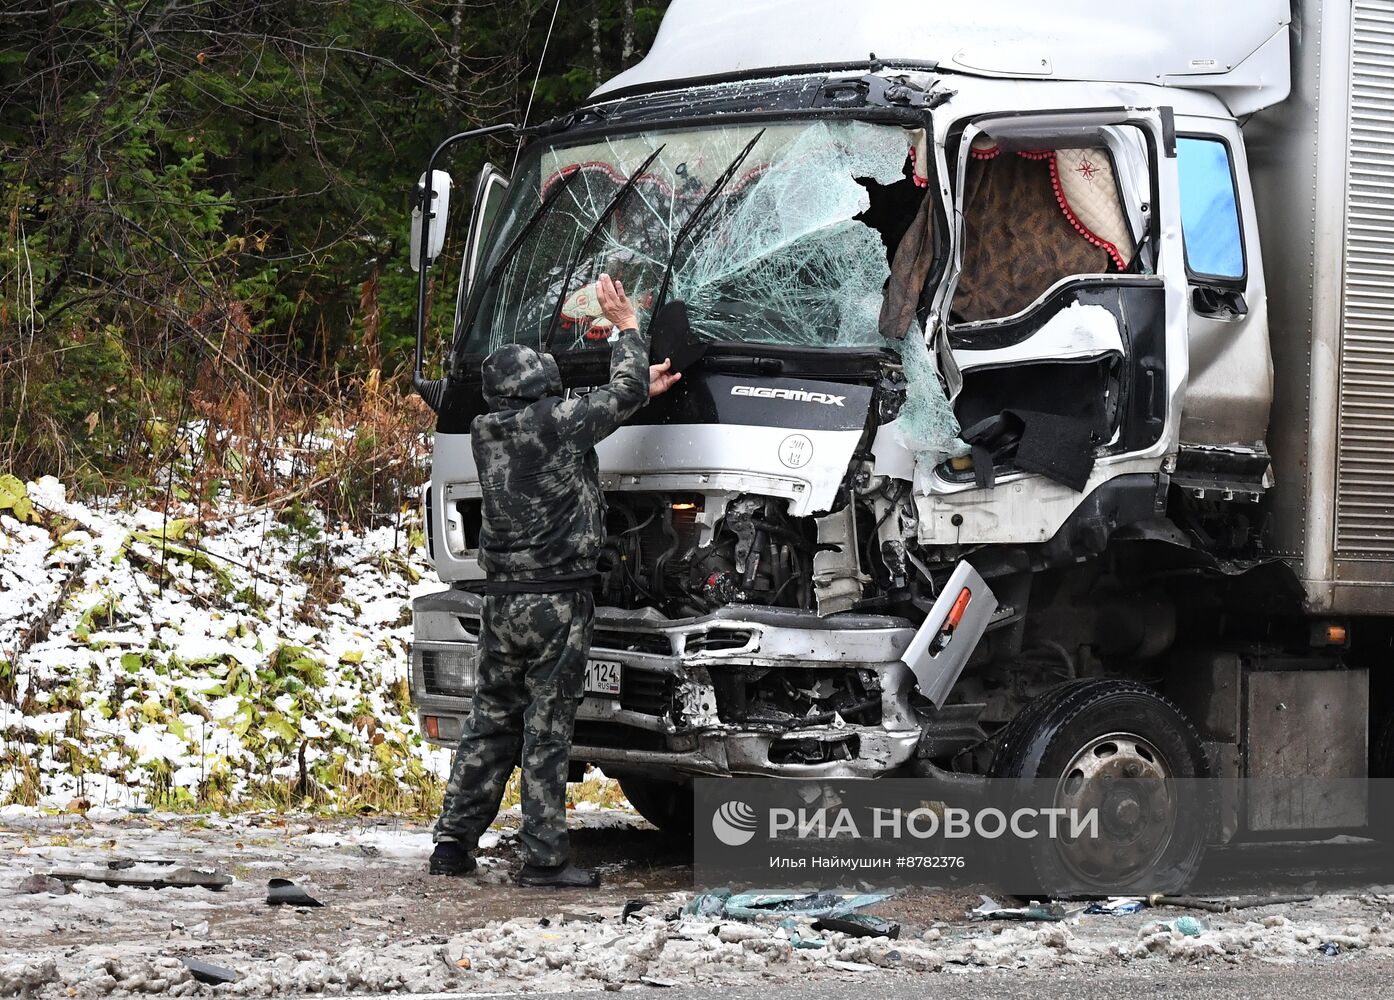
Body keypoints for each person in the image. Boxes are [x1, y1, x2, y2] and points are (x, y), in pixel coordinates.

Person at [428, 274, 681, 888]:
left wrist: (630, 393)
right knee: (547, 730)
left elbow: (610, 402)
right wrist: (626, 331)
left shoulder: (488, 431)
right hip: (555, 602)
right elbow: (614, 393)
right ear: (541, 386)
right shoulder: (557, 424)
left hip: (502, 602)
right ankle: (543, 860)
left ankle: (452, 845)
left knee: (490, 720)